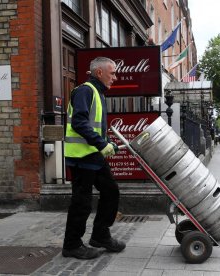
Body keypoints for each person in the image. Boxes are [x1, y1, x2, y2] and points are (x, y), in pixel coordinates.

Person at [62, 57, 126, 260]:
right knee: (81, 202)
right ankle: (72, 245)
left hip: (93, 156)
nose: (115, 78)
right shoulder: (85, 91)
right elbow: (79, 123)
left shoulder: (97, 93)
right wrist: (101, 144)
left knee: (111, 191)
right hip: (82, 158)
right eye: (112, 73)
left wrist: (107, 143)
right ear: (99, 72)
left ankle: (100, 235)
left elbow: (93, 125)